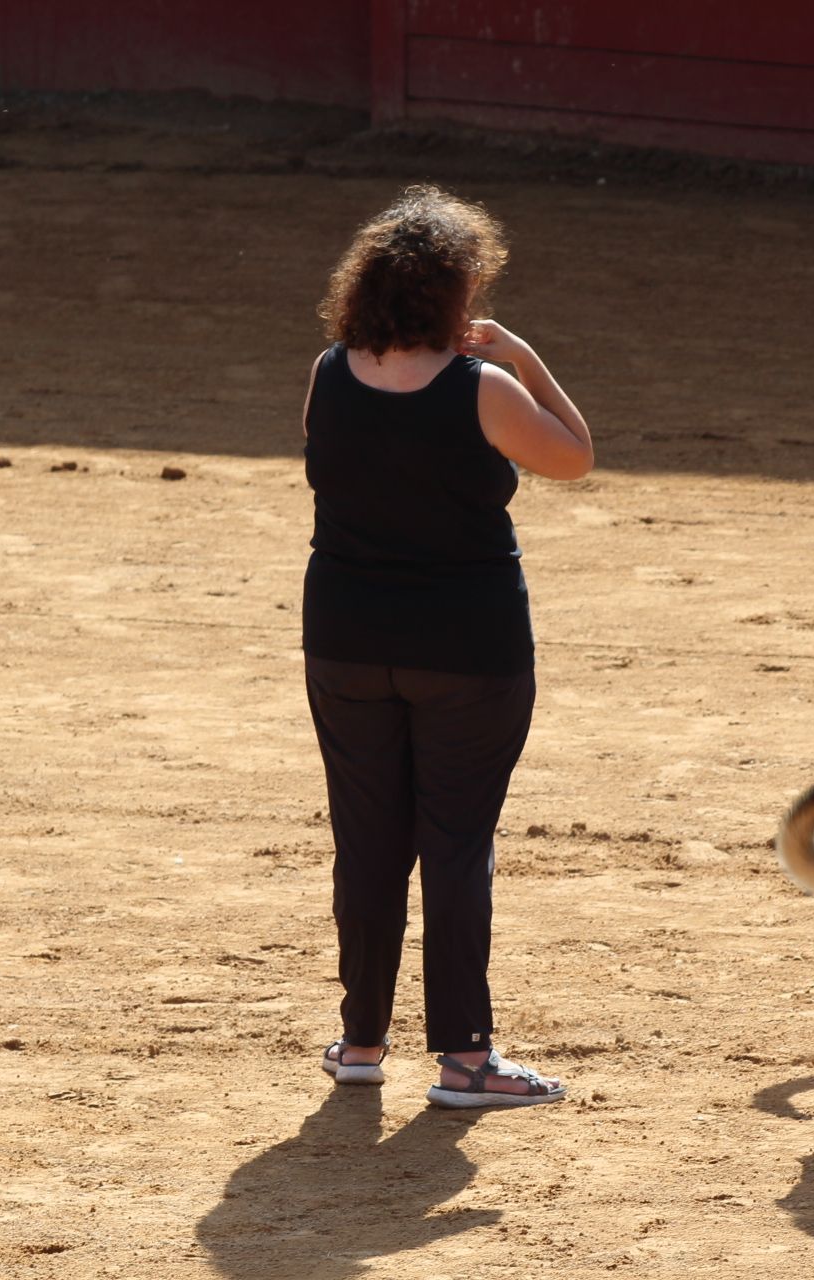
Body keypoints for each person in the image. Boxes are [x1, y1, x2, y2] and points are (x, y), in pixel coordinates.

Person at [302, 185, 593, 1108]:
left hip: (346, 638)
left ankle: (360, 1042)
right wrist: (526, 358)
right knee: (457, 845)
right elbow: (576, 455)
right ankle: (466, 1059)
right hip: (468, 647)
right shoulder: (484, 389)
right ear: (455, 295)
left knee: (368, 841)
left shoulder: (328, 371)